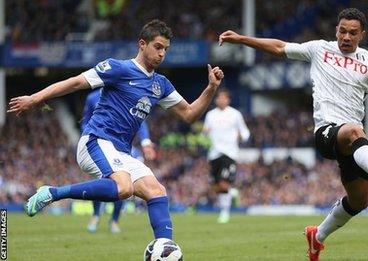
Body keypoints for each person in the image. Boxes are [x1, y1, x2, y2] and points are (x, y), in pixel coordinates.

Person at [219, 8, 368, 260]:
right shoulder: (319, 49)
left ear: (362, 35)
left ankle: (317, 236)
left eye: (352, 33)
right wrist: (242, 39)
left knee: (359, 202)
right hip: (327, 132)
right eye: (342, 31)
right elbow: (280, 47)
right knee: (356, 130)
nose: (346, 36)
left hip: (354, 145)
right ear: (336, 30)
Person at [8, 19, 224, 243]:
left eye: (166, 49)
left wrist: (211, 88)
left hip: (122, 152)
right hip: (96, 140)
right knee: (124, 187)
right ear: (142, 44)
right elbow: (74, 83)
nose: (162, 54)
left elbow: (189, 114)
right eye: (158, 47)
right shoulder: (118, 68)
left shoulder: (161, 84)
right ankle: (52, 193)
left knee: (157, 191)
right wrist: (34, 99)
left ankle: (165, 249)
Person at [81, 88, 156, 233]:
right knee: (100, 181)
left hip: (122, 147)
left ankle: (114, 220)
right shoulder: (92, 98)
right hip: (100, 144)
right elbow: (85, 121)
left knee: (123, 183)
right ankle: (96, 215)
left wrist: (146, 141)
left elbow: (140, 120)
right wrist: (88, 133)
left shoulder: (127, 93)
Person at [203, 89, 250, 223]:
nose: (221, 100)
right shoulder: (210, 115)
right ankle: (233, 193)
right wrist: (205, 132)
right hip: (214, 153)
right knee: (216, 186)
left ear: (228, 100)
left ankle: (224, 212)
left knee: (224, 184)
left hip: (229, 153)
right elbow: (204, 133)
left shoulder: (235, 114)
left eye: (224, 98)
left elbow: (245, 132)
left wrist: (242, 136)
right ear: (216, 100)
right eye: (219, 98)